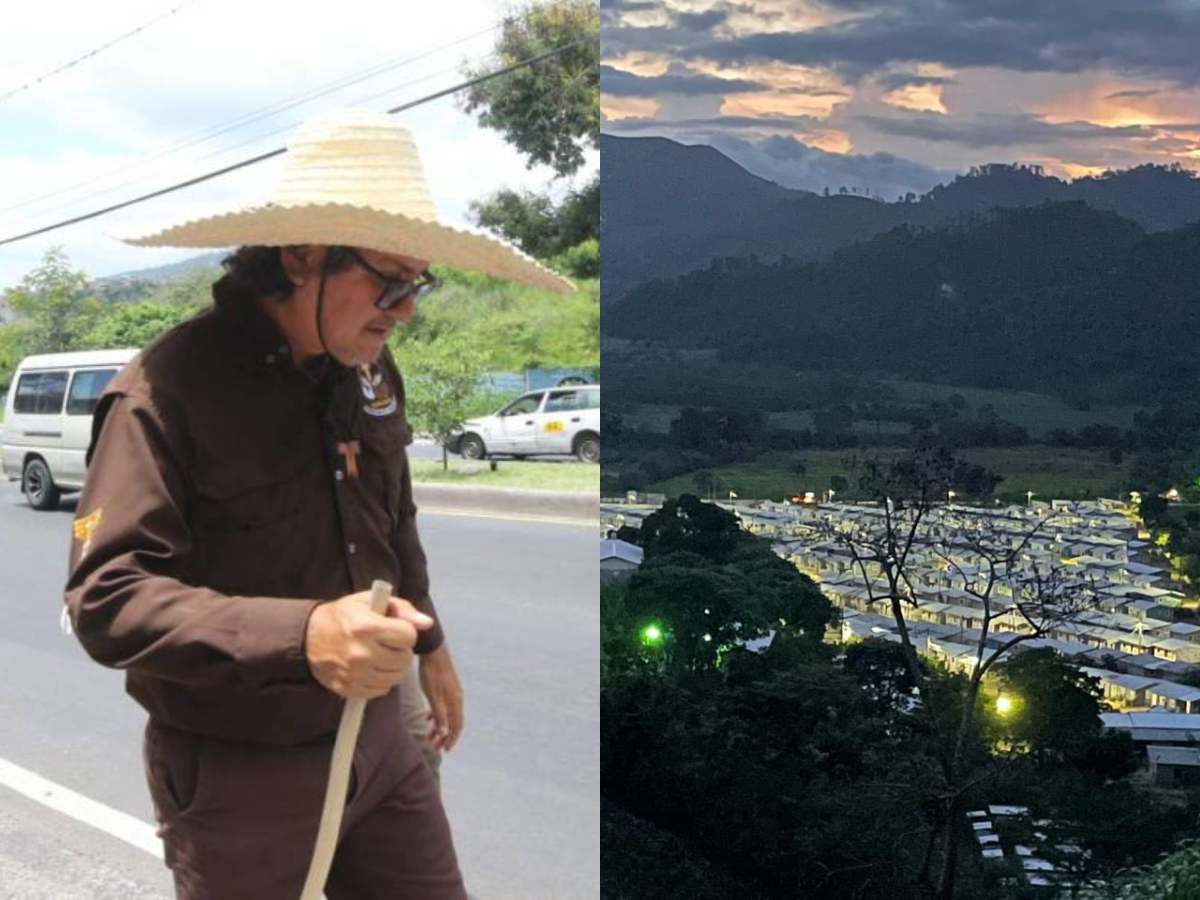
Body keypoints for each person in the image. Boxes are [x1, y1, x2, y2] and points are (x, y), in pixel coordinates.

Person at [64, 108, 573, 900]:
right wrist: (304, 636)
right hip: (240, 769)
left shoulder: (368, 368)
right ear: (302, 255)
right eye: (389, 279)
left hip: (378, 735)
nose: (404, 309)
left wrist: (430, 643)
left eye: (419, 284)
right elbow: (107, 599)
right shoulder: (167, 391)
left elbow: (392, 518)